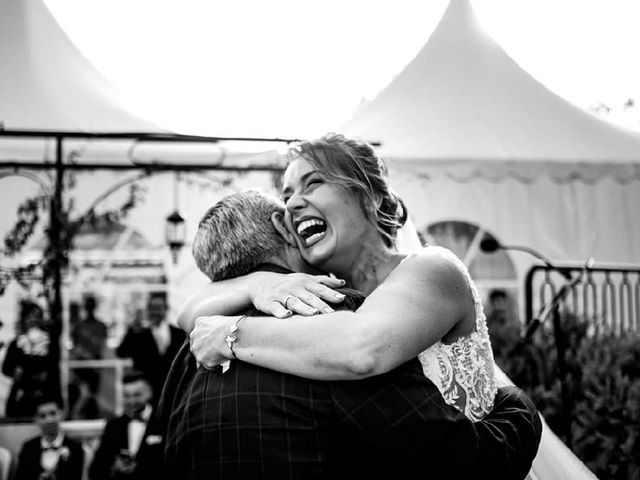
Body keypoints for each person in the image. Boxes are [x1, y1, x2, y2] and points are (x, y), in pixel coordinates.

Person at [157, 190, 542, 479]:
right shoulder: (326, 313)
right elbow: (451, 459)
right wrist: (517, 406)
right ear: (280, 226)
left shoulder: (190, 352)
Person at [185, 133, 496, 422]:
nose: (292, 204)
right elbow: (188, 314)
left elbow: (363, 350)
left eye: (313, 183)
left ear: (370, 196)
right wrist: (256, 285)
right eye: (288, 194)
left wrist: (231, 333)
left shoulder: (434, 269)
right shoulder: (321, 291)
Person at [89, 371, 163, 480]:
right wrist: (114, 468)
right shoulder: (113, 426)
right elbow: (95, 470)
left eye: (137, 395)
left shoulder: (162, 423)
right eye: (127, 396)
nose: (132, 401)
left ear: (149, 393)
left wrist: (139, 469)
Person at [116, 292, 185, 399]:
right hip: (146, 391)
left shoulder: (179, 334)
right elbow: (121, 353)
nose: (155, 312)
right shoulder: (138, 334)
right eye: (152, 308)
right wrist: (131, 332)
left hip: (173, 390)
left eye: (158, 308)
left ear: (166, 309)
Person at [1, 300, 55, 419]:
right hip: (20, 395)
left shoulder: (49, 344)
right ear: (23, 320)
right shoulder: (16, 344)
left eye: (36, 317)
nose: (33, 320)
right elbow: (6, 368)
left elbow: (54, 367)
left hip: (43, 396)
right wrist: (14, 371)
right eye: (29, 317)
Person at [15, 393, 84, 480]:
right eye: (42, 416)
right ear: (36, 419)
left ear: (61, 414)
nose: (48, 420)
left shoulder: (75, 449)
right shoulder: (28, 448)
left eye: (53, 413)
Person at [69, 294, 108, 419]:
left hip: (96, 368)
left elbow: (102, 346)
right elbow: (76, 348)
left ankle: (92, 415)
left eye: (92, 305)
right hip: (82, 368)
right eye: (88, 305)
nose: (90, 308)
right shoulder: (78, 327)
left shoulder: (101, 326)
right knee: (84, 394)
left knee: (93, 396)